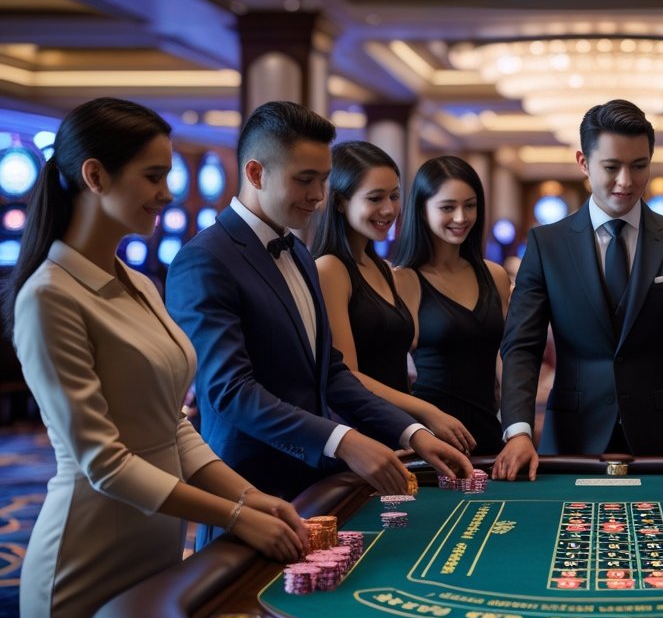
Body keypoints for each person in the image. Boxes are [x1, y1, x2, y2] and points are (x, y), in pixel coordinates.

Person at [6, 98, 308, 618]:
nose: (167, 194)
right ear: (94, 176)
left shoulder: (140, 283)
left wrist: (254, 498)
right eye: (153, 176)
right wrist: (233, 517)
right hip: (82, 555)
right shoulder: (47, 297)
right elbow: (104, 462)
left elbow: (172, 425)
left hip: (156, 545)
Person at [166, 101, 472, 542]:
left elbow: (329, 371)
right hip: (250, 493)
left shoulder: (301, 255)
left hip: (317, 486)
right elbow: (231, 392)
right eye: (304, 179)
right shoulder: (205, 259)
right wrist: (343, 440)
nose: (318, 195)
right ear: (256, 174)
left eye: (323, 180)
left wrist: (412, 431)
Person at [494, 99, 663, 481]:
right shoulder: (546, 244)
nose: (626, 180)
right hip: (571, 436)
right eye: (612, 167)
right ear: (583, 163)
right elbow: (523, 345)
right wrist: (519, 430)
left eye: (639, 165)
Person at [312, 142, 479, 453]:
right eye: (375, 198)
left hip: (397, 432)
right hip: (359, 438)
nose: (389, 209)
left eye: (394, 195)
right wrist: (426, 412)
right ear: (339, 202)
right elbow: (345, 374)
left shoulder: (386, 269)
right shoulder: (330, 269)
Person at [392, 155, 511, 456]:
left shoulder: (494, 275)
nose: (461, 217)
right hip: (433, 432)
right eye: (447, 207)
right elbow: (387, 374)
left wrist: (515, 424)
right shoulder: (403, 279)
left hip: (490, 427)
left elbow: (507, 358)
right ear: (422, 209)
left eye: (470, 205)